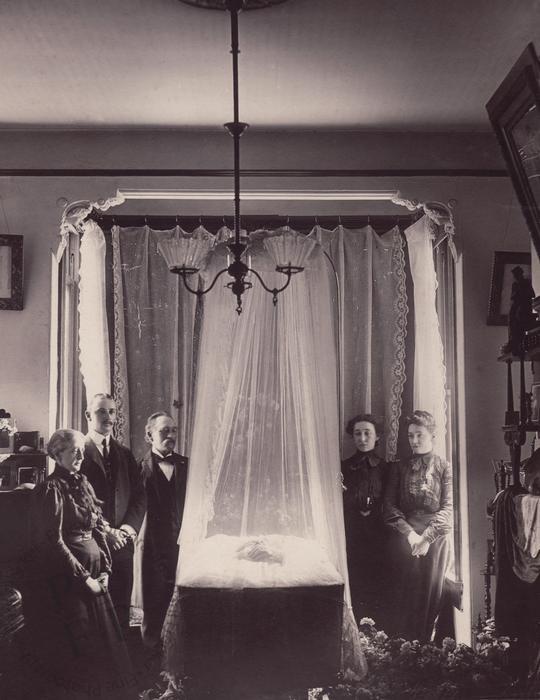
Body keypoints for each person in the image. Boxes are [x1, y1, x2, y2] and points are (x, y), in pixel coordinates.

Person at [21, 429, 133, 699]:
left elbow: (97, 528)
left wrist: (105, 569)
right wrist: (85, 579)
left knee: (106, 646)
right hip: (68, 578)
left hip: (95, 570)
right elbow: (52, 541)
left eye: (82, 450)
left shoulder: (83, 482)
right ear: (57, 455)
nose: (81, 456)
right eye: (74, 451)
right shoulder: (50, 489)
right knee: (81, 647)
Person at [383, 410, 453, 642]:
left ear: (432, 435)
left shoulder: (444, 467)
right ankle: (405, 651)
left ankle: (428, 650)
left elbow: (449, 507)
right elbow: (389, 507)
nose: (414, 440)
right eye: (410, 435)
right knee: (405, 596)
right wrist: (411, 535)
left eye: (419, 435)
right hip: (405, 538)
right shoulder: (398, 467)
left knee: (431, 596)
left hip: (436, 540)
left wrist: (427, 538)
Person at [81, 393, 145, 633]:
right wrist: (105, 531)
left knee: (120, 608)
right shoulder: (77, 452)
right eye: (101, 411)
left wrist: (126, 530)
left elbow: (139, 496)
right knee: (93, 611)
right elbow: (76, 500)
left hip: (122, 543)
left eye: (112, 411)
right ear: (88, 415)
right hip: (91, 543)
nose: (108, 417)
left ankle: (122, 655)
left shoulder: (124, 453)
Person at [139, 411, 188, 649]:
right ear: (150, 435)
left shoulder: (187, 465)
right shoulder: (139, 468)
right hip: (153, 547)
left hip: (184, 544)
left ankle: (180, 656)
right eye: (164, 431)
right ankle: (151, 658)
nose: (170, 435)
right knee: (155, 601)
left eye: (174, 430)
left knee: (183, 601)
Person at [341, 414, 391, 629]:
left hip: (379, 536)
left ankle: (377, 633)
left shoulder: (387, 469)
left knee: (378, 583)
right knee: (355, 582)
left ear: (377, 436)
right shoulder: (343, 468)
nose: (362, 439)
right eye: (357, 434)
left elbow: (390, 502)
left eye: (367, 433)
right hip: (352, 534)